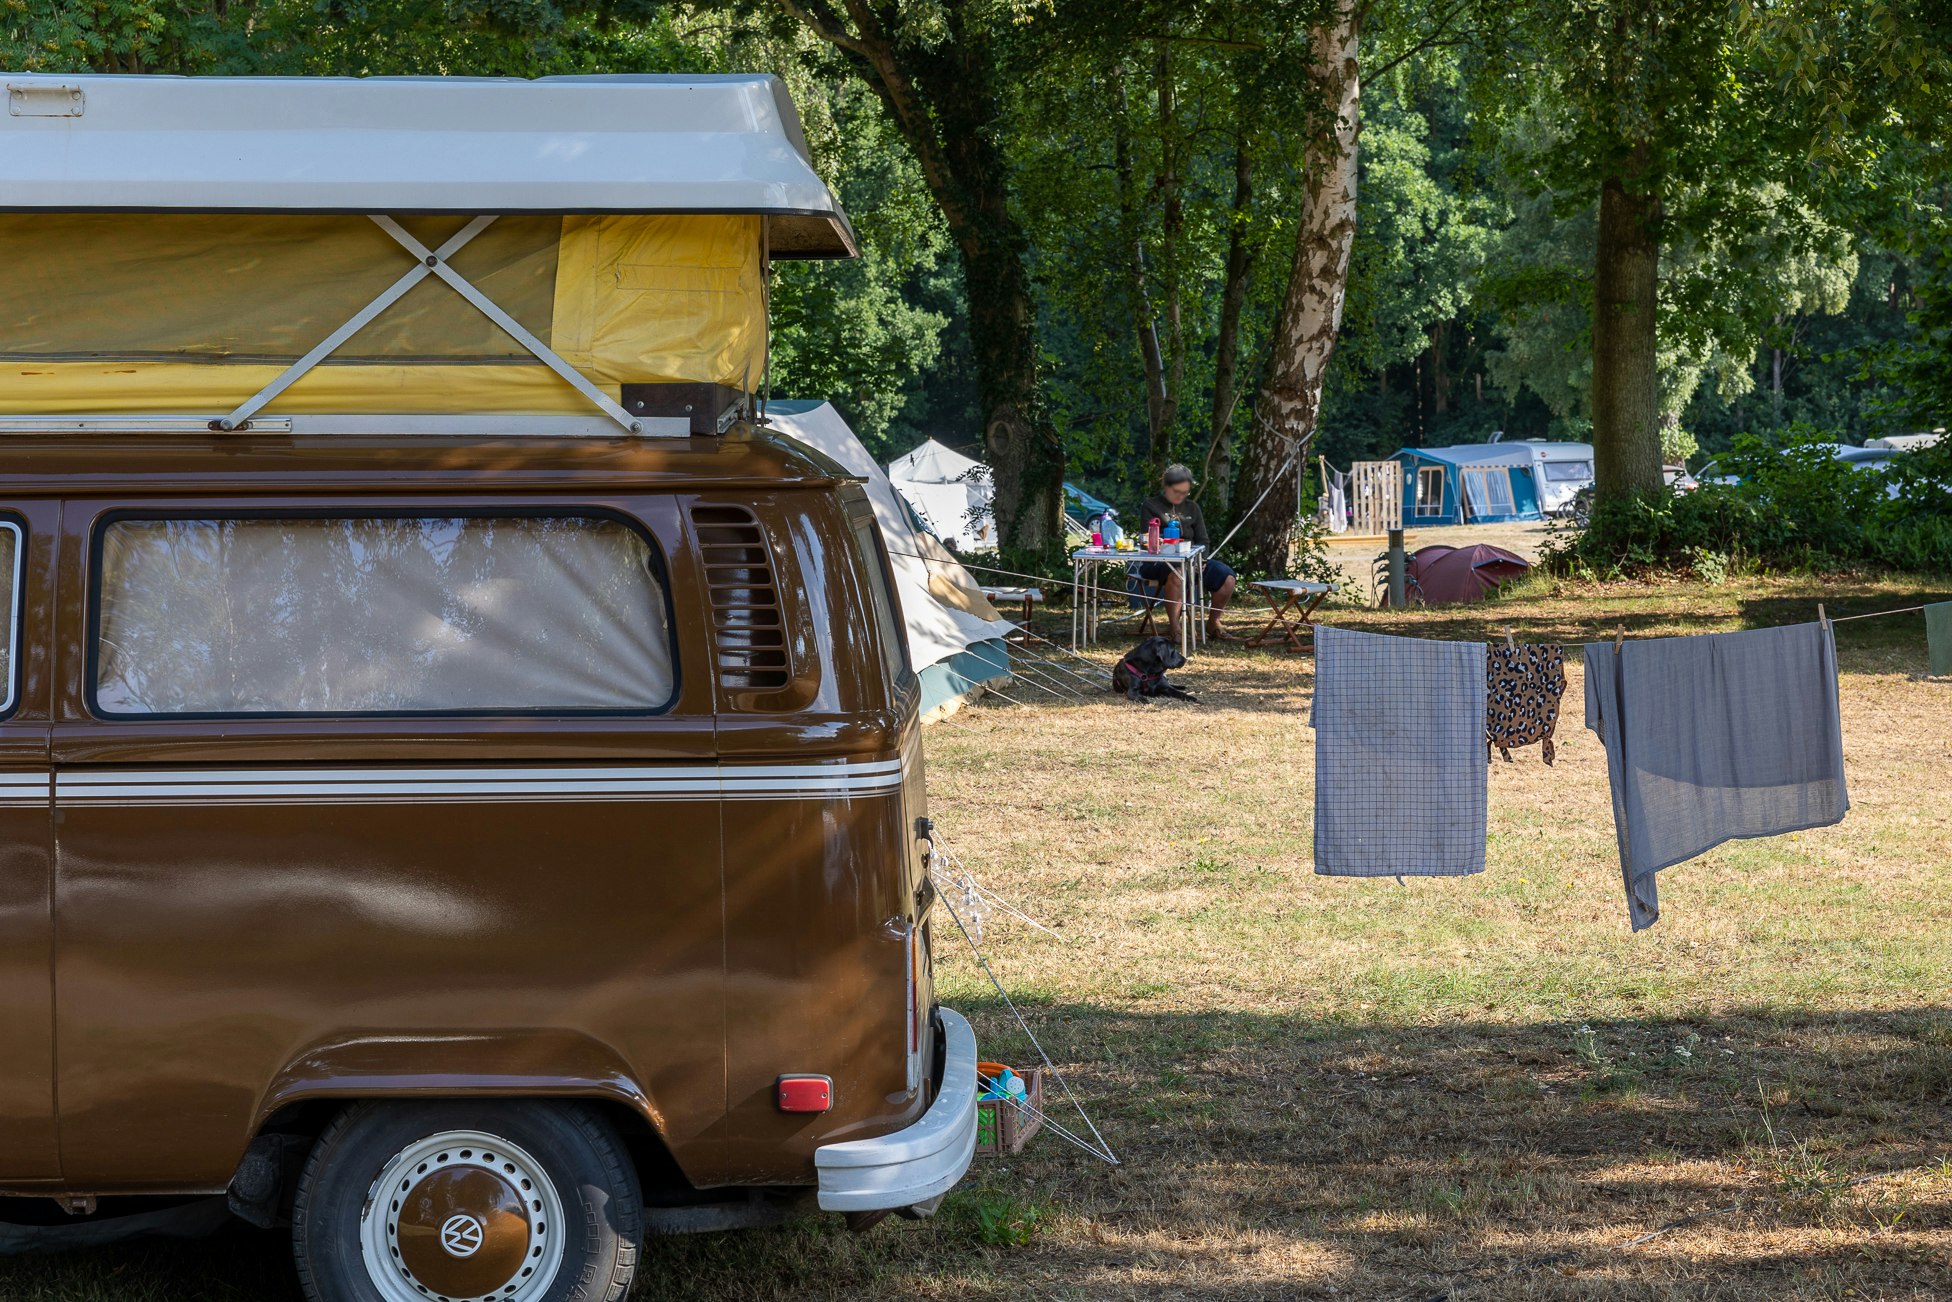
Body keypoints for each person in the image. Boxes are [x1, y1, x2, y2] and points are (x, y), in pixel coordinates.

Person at [1136, 464, 1238, 643]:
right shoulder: (1151, 506)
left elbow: (1203, 540)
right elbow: (1145, 539)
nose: (1180, 496)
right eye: (1177, 491)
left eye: (1185, 492)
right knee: (1178, 575)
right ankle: (1175, 628)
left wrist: (1203, 559)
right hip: (1161, 562)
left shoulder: (1193, 508)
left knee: (1227, 577)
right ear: (1166, 486)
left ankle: (1213, 623)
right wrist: (1157, 541)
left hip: (1194, 560)